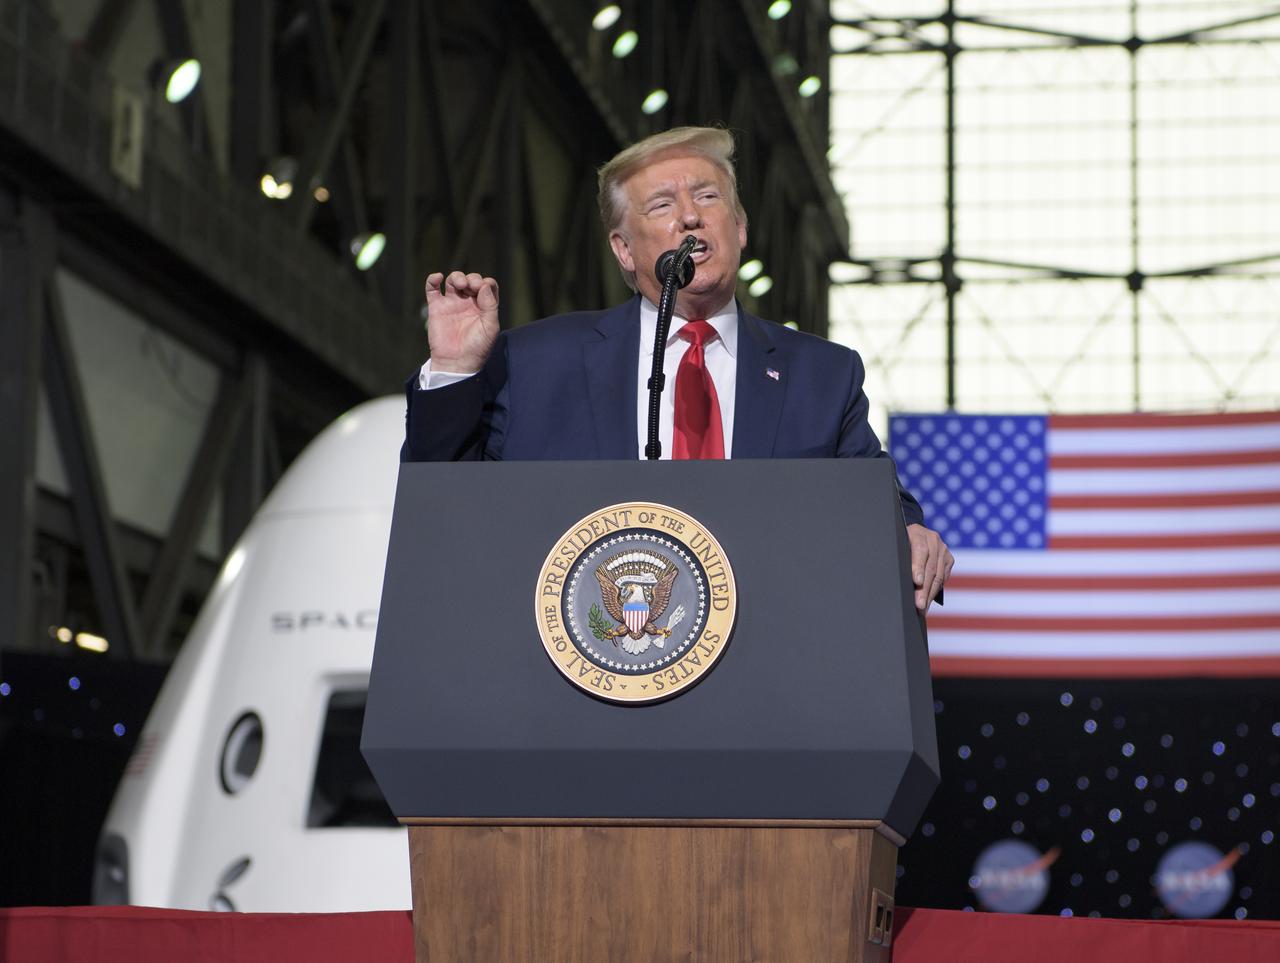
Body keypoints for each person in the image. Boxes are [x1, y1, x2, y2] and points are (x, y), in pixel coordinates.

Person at [403, 126, 953, 610]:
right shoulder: (537, 362)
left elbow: (872, 496)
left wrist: (907, 529)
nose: (690, 215)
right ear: (623, 250)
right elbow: (444, 507)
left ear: (738, 229)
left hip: (767, 674)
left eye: (708, 197)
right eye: (662, 206)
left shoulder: (823, 375)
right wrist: (453, 370)